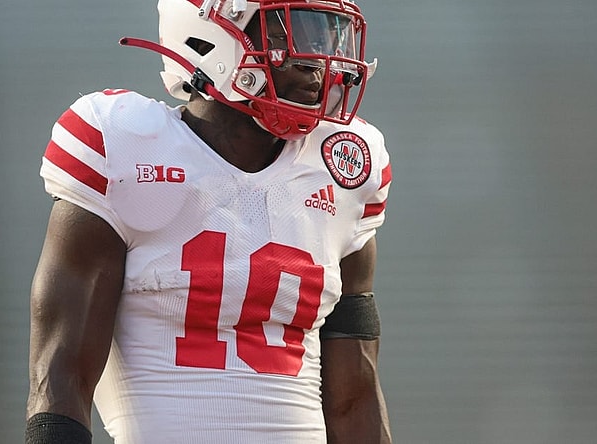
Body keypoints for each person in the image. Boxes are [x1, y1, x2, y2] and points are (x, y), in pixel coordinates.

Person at [26, 0, 392, 442]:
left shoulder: (341, 168)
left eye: (326, 34)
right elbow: (60, 378)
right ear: (208, 33)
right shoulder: (123, 148)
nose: (317, 62)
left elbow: (355, 394)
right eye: (293, 32)